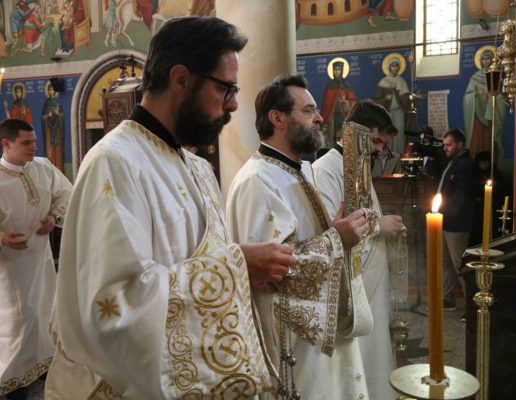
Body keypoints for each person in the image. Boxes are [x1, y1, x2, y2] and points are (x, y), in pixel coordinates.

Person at [46, 16, 297, 399]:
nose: (233, 103)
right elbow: (114, 305)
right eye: (225, 88)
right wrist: (237, 264)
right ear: (181, 79)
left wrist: (243, 278)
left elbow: (196, 260)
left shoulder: (196, 167)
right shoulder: (115, 162)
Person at [226, 74, 371, 399]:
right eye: (308, 111)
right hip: (293, 348)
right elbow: (271, 274)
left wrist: (338, 230)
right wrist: (337, 239)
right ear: (277, 118)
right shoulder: (257, 181)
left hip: (321, 332)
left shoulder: (300, 169)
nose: (320, 118)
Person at [312, 100, 407, 399]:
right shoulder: (326, 169)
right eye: (375, 141)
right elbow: (331, 226)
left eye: (382, 144)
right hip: (352, 285)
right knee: (357, 356)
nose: (379, 149)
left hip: (371, 280)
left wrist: (386, 226)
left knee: (375, 350)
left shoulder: (360, 166)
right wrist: (380, 224)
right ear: (353, 133)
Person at [0, 119, 72, 400]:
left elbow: (66, 193)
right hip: (10, 267)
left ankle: (41, 367)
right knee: (19, 320)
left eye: (35, 142)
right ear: (6, 144)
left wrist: (53, 217)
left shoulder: (43, 167)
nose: (34, 147)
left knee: (45, 312)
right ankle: (12, 381)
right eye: (26, 143)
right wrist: (3, 239)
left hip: (41, 259)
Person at [438, 129, 473, 313]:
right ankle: (448, 298)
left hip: (456, 223)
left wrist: (444, 210)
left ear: (460, 144)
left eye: (449, 144)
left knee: (459, 263)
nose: (445, 148)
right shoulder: (452, 162)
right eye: (444, 145)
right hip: (444, 220)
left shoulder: (465, 164)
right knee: (445, 262)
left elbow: (461, 195)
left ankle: (471, 305)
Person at [463, 48, 506, 159]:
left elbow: (499, 94)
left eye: (488, 58)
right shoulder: (475, 77)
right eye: (483, 59)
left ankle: (492, 159)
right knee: (478, 136)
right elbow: (468, 95)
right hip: (478, 112)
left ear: (492, 60)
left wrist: (493, 97)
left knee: (490, 137)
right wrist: (476, 95)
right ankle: (474, 159)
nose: (486, 61)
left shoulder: (496, 75)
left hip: (491, 111)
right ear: (480, 61)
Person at [374, 57, 409, 154]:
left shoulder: (401, 81)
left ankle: (399, 153)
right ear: (389, 67)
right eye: (393, 65)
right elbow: (377, 99)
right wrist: (385, 98)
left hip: (399, 111)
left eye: (396, 65)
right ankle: (388, 153)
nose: (395, 68)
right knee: (388, 132)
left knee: (399, 133)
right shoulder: (383, 82)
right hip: (387, 112)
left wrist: (409, 97)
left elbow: (406, 98)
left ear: (399, 68)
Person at [321, 60, 357, 148]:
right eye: (335, 70)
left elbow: (353, 101)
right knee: (332, 138)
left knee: (344, 138)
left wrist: (346, 103)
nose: (337, 72)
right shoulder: (329, 86)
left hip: (344, 116)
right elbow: (325, 105)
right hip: (332, 118)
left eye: (338, 69)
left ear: (342, 71)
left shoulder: (346, 85)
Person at [41, 82, 66, 172]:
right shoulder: (46, 103)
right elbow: (43, 117)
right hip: (49, 133)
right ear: (48, 91)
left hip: (57, 133)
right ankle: (50, 171)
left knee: (58, 152)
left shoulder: (58, 103)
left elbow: (62, 116)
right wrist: (48, 116)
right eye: (50, 90)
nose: (51, 91)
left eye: (52, 90)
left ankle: (59, 169)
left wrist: (57, 114)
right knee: (50, 151)